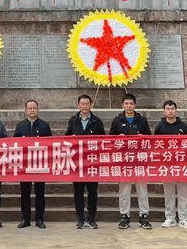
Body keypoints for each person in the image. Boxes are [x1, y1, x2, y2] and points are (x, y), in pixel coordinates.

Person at [109, 93, 152, 230]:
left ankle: (144, 216)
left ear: (135, 105)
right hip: (123, 161)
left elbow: (150, 139)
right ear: (122, 105)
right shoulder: (117, 120)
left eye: (131, 104)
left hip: (139, 160)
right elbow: (110, 140)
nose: (129, 106)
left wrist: (143, 137)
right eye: (126, 104)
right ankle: (124, 216)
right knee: (124, 191)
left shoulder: (142, 120)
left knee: (142, 190)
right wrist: (118, 138)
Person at [65, 93, 105, 229]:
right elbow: (66, 138)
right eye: (82, 104)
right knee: (78, 191)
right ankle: (80, 217)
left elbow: (103, 140)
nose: (85, 106)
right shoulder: (73, 121)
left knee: (92, 191)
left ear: (91, 105)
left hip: (93, 162)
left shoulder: (97, 121)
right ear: (78, 105)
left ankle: (92, 217)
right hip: (77, 163)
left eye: (87, 104)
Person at [13, 99, 52, 229]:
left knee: (40, 192)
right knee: (25, 192)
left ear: (38, 109)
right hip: (25, 164)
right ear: (25, 110)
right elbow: (15, 143)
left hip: (40, 164)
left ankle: (40, 219)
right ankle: (25, 219)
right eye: (29, 108)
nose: (32, 110)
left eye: (34, 108)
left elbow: (51, 143)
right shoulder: (20, 125)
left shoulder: (44, 125)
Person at [155, 100, 187, 229]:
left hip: (182, 164)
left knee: (183, 193)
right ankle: (170, 218)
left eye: (172, 109)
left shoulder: (184, 127)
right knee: (169, 193)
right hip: (167, 164)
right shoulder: (160, 127)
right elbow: (156, 145)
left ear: (176, 110)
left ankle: (184, 218)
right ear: (164, 111)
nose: (170, 111)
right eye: (168, 109)